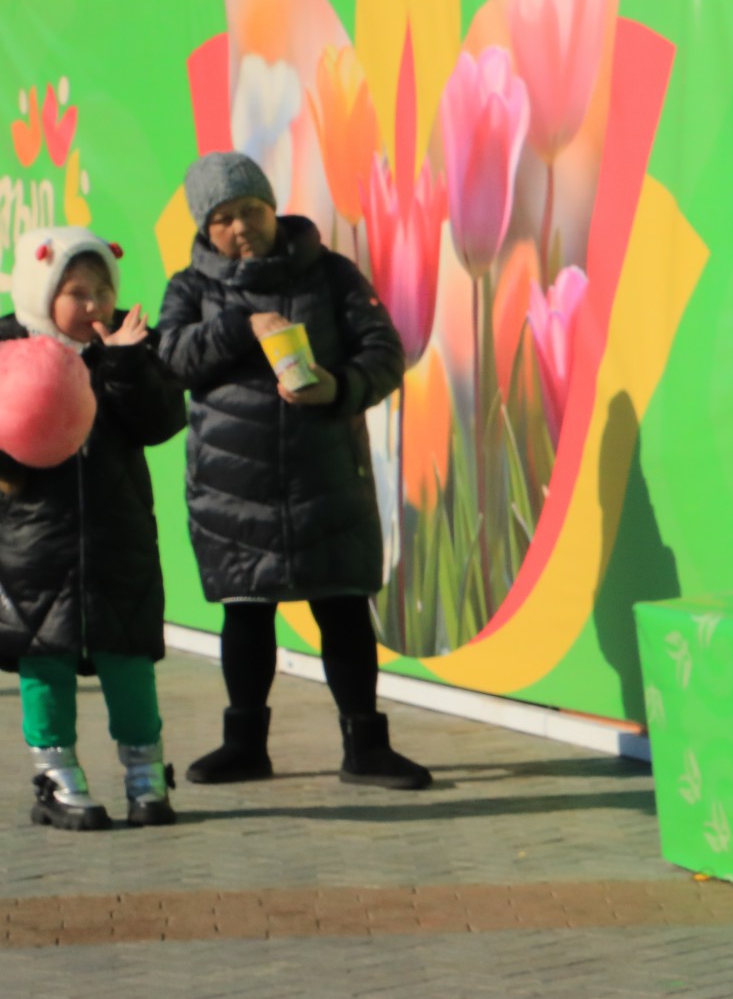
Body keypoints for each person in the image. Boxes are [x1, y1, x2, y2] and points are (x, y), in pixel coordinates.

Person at [155, 151, 428, 790]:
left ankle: (366, 747)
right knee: (247, 615)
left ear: (273, 208)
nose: (241, 227)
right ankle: (244, 746)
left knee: (343, 610)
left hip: (326, 478)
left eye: (251, 210)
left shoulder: (331, 274)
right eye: (223, 218)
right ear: (205, 228)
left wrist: (338, 387)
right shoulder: (191, 287)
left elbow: (384, 351)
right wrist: (239, 325)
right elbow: (172, 361)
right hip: (232, 490)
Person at [0, 227, 186, 829]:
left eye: (101, 291)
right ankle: (57, 779)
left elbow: (161, 421)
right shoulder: (6, 346)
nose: (93, 306)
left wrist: (127, 364)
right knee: (44, 662)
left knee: (128, 659)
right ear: (42, 290)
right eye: (76, 293)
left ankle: (146, 776)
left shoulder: (128, 346)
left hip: (118, 539)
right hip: (32, 545)